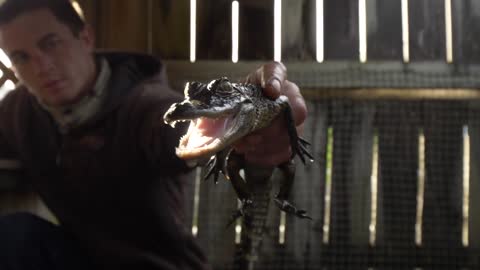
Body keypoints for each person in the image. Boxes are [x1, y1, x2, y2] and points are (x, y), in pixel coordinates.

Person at [0, 0, 307, 269]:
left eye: (50, 43)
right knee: (16, 235)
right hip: (80, 258)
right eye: (21, 57)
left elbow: (175, 127)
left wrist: (243, 119)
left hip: (157, 265)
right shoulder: (18, 111)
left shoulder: (143, 104)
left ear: (86, 38)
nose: (41, 66)